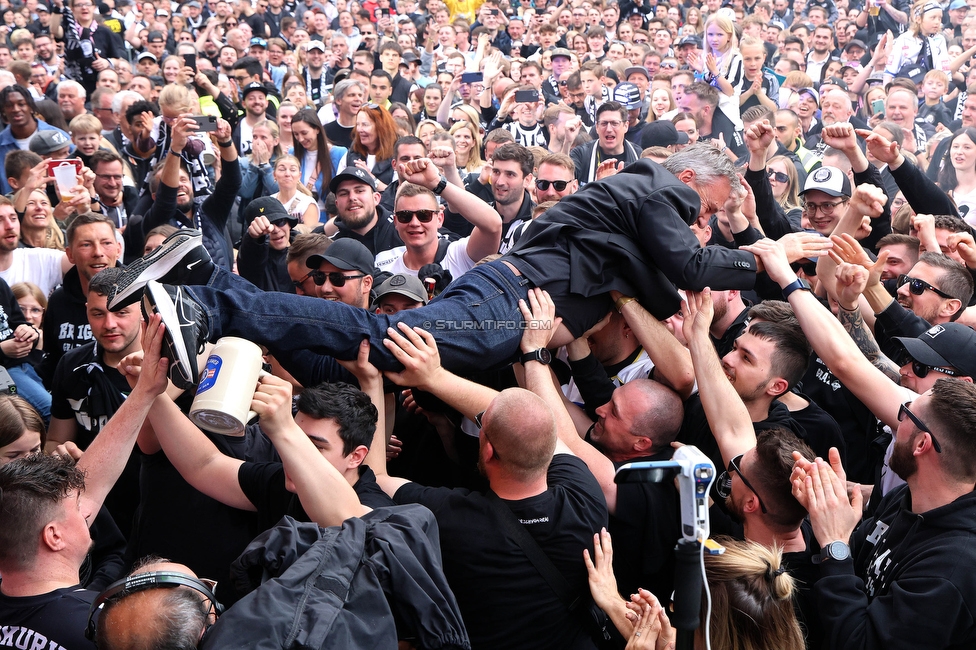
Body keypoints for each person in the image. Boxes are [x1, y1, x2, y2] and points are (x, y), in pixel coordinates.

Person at [120, 144, 830, 391]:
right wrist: (772, 257)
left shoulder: (641, 202)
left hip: (513, 296)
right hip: (515, 297)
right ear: (689, 178)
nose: (704, 215)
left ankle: (203, 280)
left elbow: (669, 266)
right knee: (384, 340)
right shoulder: (656, 188)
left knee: (382, 348)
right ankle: (209, 301)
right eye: (709, 201)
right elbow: (693, 260)